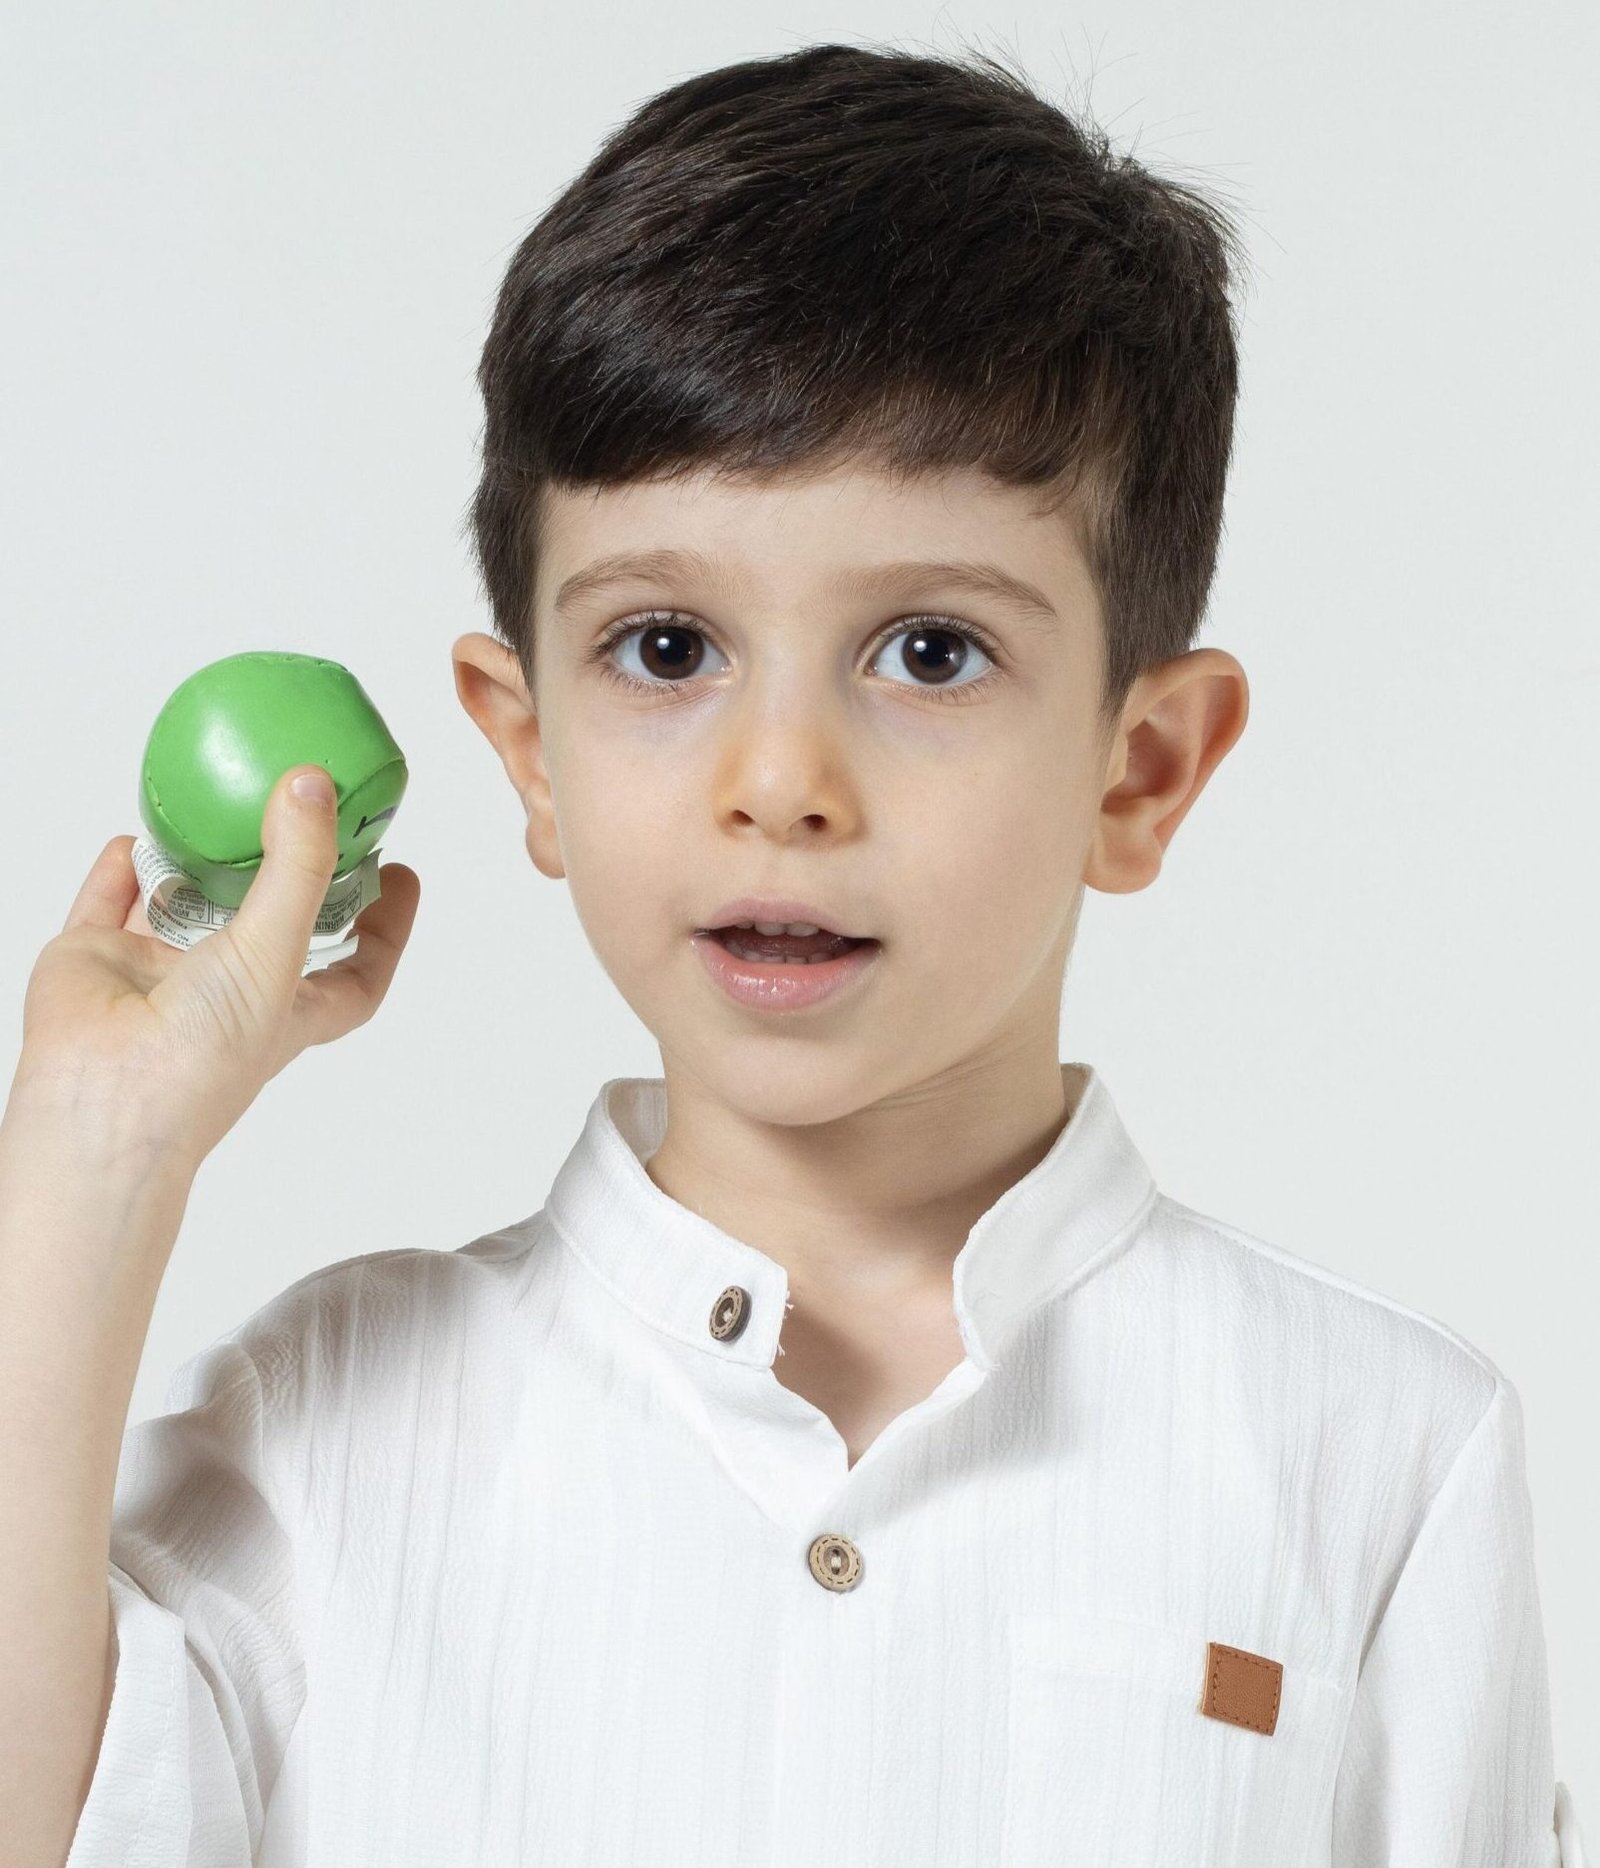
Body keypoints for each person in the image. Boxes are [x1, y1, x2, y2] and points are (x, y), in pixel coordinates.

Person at [1, 38, 1584, 1868]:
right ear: (529, 751)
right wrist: (91, 1153)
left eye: (930, 652)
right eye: (666, 649)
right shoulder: (318, 1431)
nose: (780, 785)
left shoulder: (1382, 1450)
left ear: (1141, 769)